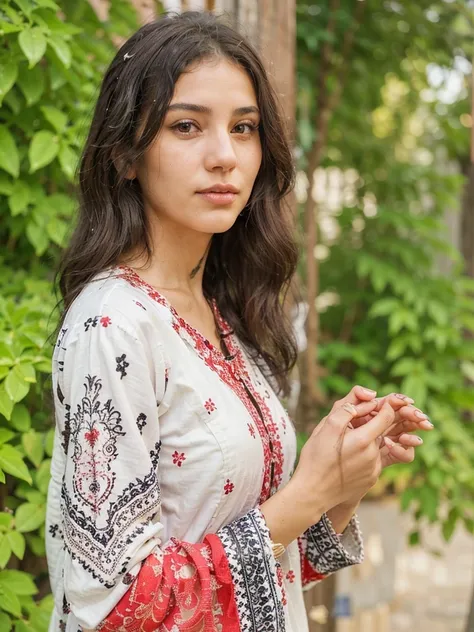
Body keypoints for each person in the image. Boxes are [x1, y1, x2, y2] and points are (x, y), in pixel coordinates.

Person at [45, 11, 433, 632]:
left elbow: (268, 571)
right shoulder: (113, 324)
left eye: (244, 128)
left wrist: (343, 478)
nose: (225, 156)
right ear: (124, 155)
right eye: (187, 126)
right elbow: (116, 610)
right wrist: (306, 493)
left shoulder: (223, 313)